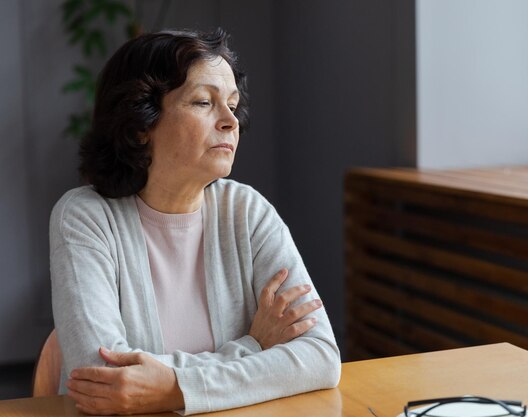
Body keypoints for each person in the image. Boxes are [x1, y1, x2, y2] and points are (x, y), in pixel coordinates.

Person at [49, 28, 341, 415]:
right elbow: (105, 378)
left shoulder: (248, 211)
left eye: (233, 105)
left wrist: (171, 388)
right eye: (204, 102)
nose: (230, 122)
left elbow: (320, 356)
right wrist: (252, 348)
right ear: (139, 125)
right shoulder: (84, 217)